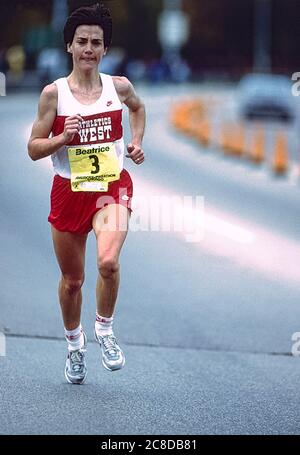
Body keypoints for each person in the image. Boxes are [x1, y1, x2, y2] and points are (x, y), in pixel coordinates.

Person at [27, 3, 145, 384]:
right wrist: (62, 137)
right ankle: (75, 345)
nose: (89, 49)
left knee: (108, 262)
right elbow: (33, 148)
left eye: (96, 42)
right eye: (82, 42)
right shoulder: (53, 95)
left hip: (110, 188)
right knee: (73, 281)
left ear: (105, 49)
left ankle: (105, 332)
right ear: (69, 47)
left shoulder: (119, 87)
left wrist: (137, 141)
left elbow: (138, 108)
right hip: (69, 190)